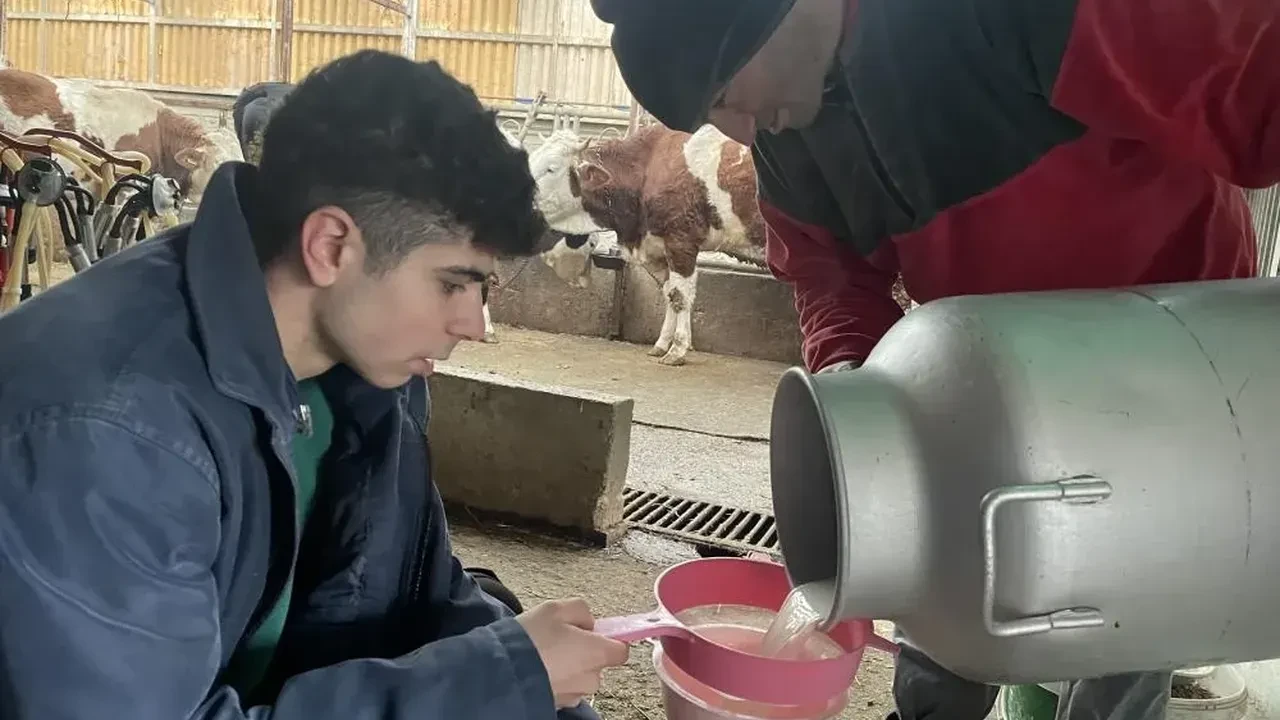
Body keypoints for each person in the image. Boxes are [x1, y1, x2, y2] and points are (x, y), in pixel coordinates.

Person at [588, 0, 1277, 719]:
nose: (739, 130)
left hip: (1165, 375)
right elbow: (830, 279)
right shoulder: (789, 145)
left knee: (1124, 617)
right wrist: (855, 395)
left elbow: (1254, 82)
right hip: (983, 382)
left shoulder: (1004, 15)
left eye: (726, 92)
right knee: (933, 565)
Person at [0, 49, 628, 719]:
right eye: (453, 283)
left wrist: (528, 678)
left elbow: (419, 595)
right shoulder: (105, 432)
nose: (473, 325)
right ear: (330, 246)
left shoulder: (368, 370)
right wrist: (492, 682)